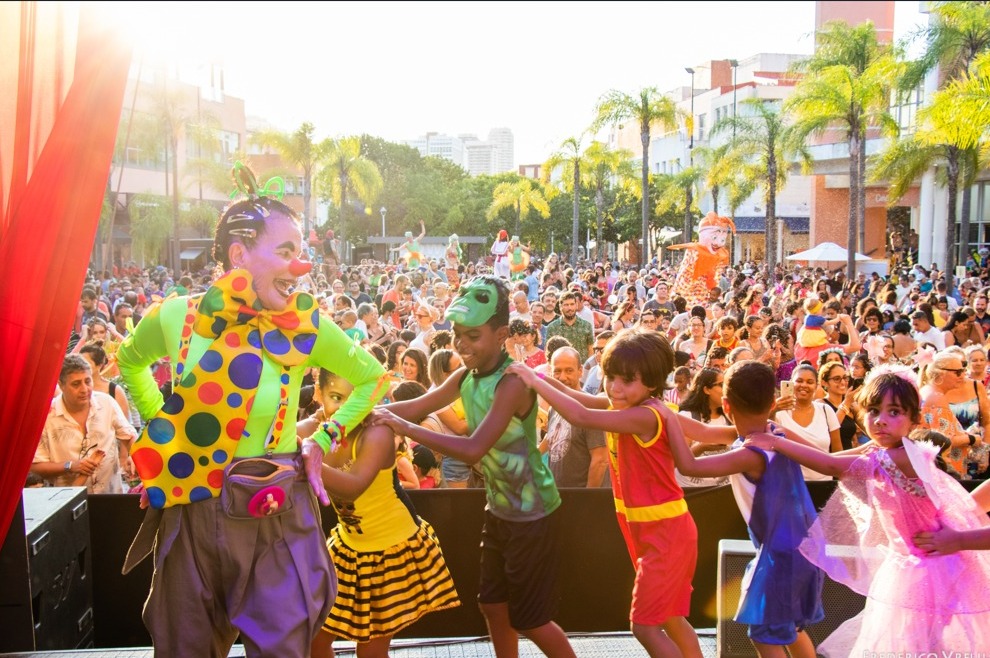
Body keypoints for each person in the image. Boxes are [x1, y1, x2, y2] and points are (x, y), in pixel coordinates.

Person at [116, 164, 387, 657]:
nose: (300, 267)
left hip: (274, 512)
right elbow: (129, 360)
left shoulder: (303, 324)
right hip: (192, 511)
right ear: (239, 254)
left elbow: (372, 378)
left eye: (301, 254)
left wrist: (323, 440)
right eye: (286, 252)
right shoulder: (176, 315)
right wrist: (162, 435)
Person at [371, 276, 576, 658]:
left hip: (532, 515)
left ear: (501, 334)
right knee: (493, 606)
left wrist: (405, 427)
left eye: (473, 335)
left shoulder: (512, 383)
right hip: (500, 510)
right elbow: (415, 406)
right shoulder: (465, 376)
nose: (461, 344)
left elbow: (473, 448)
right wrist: (364, 415)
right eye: (457, 334)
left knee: (530, 619)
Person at [745, 368, 990, 656]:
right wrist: (785, 435)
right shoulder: (889, 449)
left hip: (929, 570)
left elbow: (831, 467)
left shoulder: (895, 458)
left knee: (918, 644)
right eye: (873, 410)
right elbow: (830, 458)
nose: (880, 420)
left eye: (894, 412)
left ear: (914, 420)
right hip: (914, 565)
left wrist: (776, 443)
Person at [507, 330, 704, 658]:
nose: (614, 387)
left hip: (664, 532)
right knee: (671, 617)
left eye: (626, 381)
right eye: (610, 377)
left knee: (643, 625)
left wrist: (533, 379)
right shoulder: (635, 406)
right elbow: (582, 400)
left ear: (653, 383)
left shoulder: (643, 415)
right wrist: (535, 376)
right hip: (656, 529)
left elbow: (580, 415)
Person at [300, 369, 459, 658]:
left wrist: (303, 454)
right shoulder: (311, 429)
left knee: (371, 651)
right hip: (349, 549)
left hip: (391, 549)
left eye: (356, 397)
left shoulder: (377, 427)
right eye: (337, 397)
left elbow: (354, 486)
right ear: (317, 394)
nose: (348, 408)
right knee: (313, 639)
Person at [670, 361, 824, 658]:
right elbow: (703, 430)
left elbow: (688, 465)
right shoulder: (773, 432)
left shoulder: (748, 454)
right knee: (789, 629)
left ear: (725, 405)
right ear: (772, 403)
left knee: (764, 634)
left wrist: (661, 422)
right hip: (802, 549)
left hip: (782, 557)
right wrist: (664, 411)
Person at [32, 354, 137, 494]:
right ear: (61, 385)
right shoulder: (46, 417)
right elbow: (36, 466)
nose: (84, 389)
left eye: (88, 381)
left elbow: (129, 435)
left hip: (111, 495)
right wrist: (71, 466)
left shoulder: (106, 403)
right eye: (76, 384)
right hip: (66, 503)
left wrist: (134, 455)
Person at [541, 347, 608, 488]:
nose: (563, 377)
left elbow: (600, 460)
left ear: (580, 371)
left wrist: (587, 503)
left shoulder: (590, 408)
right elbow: (554, 435)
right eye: (557, 371)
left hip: (580, 500)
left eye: (569, 370)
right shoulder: (555, 407)